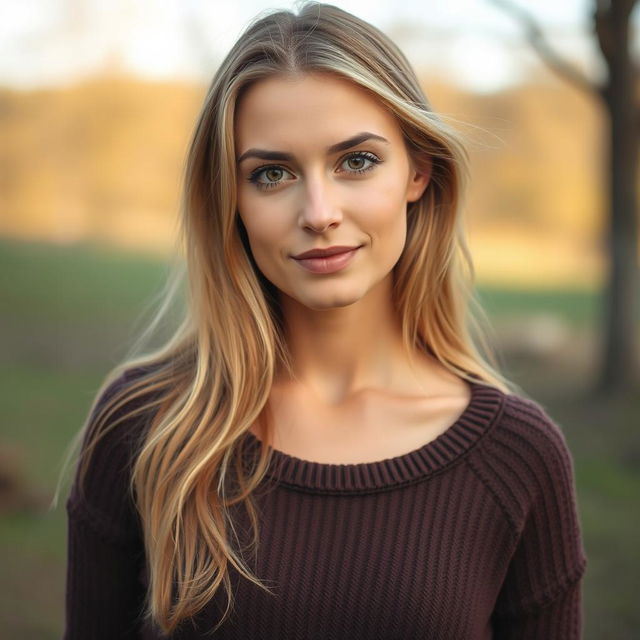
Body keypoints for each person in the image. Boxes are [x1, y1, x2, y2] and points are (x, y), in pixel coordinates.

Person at [63, 3, 588, 638]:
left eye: (357, 162)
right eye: (272, 174)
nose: (319, 212)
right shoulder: (145, 426)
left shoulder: (516, 456)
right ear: (230, 202)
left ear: (418, 171)